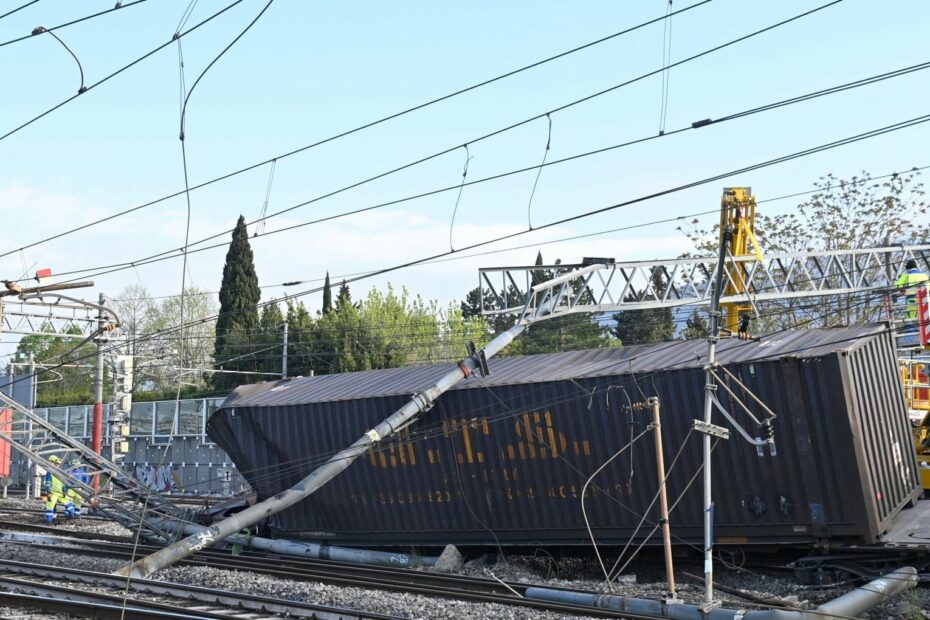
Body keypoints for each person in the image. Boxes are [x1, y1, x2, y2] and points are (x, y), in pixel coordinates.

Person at [42, 456, 71, 523]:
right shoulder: (51, 472)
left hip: (59, 493)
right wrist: (49, 491)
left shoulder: (54, 472)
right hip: (53, 493)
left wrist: (64, 491)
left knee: (68, 505)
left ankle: (55, 517)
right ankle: (50, 519)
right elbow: (48, 483)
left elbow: (63, 484)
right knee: (51, 507)